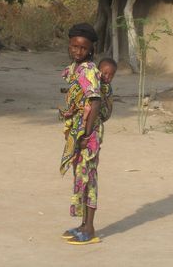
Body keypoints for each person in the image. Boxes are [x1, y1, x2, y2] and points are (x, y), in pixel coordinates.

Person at [59, 23, 117, 245]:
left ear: (91, 49)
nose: (77, 51)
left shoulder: (89, 70)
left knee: (89, 178)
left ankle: (90, 228)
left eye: (83, 48)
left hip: (88, 133)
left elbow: (94, 100)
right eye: (74, 46)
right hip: (79, 131)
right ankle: (82, 225)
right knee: (80, 176)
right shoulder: (75, 67)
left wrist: (86, 133)